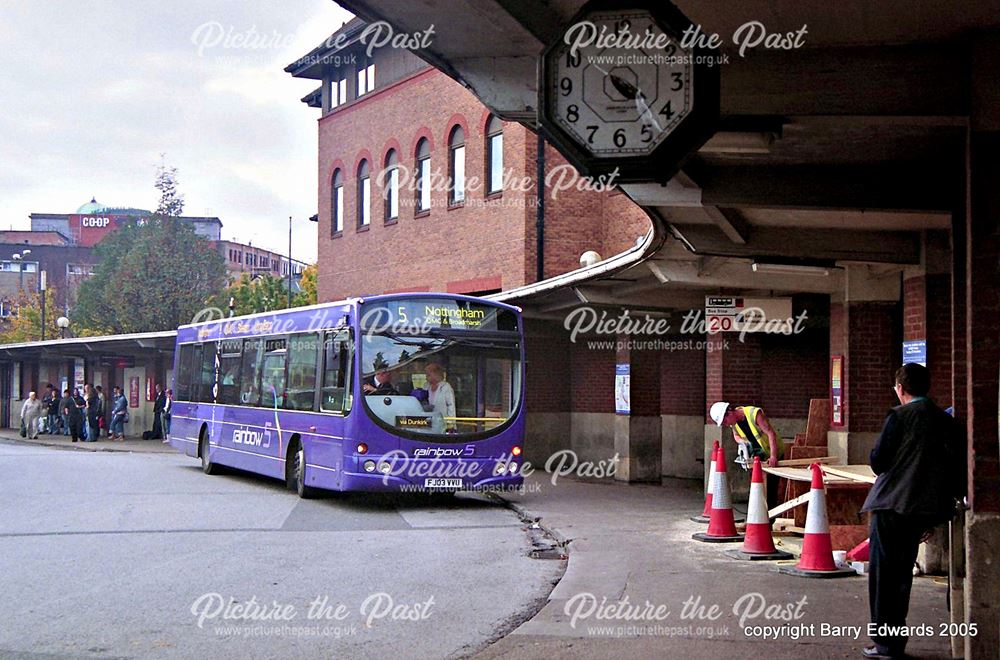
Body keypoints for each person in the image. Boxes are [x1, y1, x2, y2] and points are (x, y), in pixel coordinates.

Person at [860, 363, 966, 659]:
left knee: (883, 578)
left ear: (900, 389)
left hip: (890, 505)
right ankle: (895, 641)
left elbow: (878, 461)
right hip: (921, 509)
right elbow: (955, 469)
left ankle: (886, 644)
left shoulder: (899, 416)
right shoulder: (945, 422)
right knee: (902, 577)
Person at [709, 401, 786, 508]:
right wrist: (743, 443)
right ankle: (760, 518)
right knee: (758, 488)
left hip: (773, 453)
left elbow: (770, 433)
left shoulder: (754, 414)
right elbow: (736, 436)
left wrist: (773, 456)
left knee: (772, 489)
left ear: (729, 412)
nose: (726, 424)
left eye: (724, 421)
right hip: (759, 457)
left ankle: (770, 519)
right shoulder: (734, 424)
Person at [424, 363, 456, 430]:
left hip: (443, 424)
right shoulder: (426, 386)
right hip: (427, 423)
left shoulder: (446, 387)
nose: (426, 377)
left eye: (428, 375)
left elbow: (451, 406)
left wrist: (450, 423)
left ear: (436, 374)